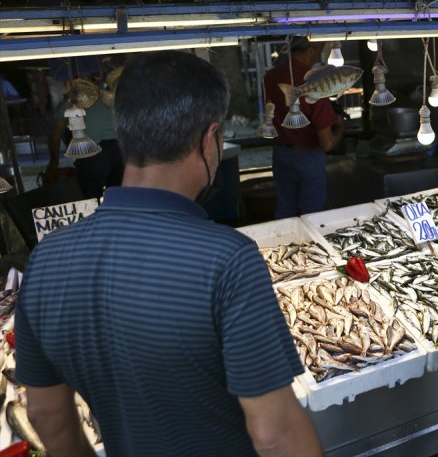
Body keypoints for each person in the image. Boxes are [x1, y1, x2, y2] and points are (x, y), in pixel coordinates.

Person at [15, 51, 323, 456]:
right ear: (208, 140)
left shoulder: (45, 261)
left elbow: (46, 414)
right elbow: (276, 435)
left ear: (126, 136)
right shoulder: (228, 261)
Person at [263, 38, 344, 218]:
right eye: (320, 50)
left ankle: (285, 242)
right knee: (312, 214)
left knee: (285, 210)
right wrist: (339, 129)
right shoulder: (317, 82)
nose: (319, 55)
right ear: (309, 51)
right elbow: (327, 144)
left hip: (280, 153)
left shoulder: (270, 77)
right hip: (308, 155)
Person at [44, 75, 124, 198]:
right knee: (119, 199)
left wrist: (54, 161)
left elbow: (55, 136)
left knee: (91, 201)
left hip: (92, 154)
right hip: (119, 152)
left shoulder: (71, 102)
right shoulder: (109, 98)